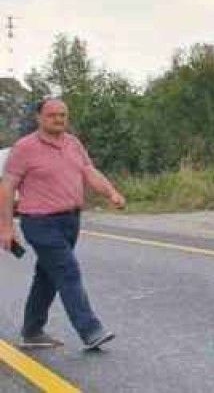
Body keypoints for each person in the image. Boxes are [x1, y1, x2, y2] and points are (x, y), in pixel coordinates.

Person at [0, 98, 126, 351]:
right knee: (67, 270)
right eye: (52, 115)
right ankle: (91, 330)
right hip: (39, 222)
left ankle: (32, 331)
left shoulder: (73, 143)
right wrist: (5, 227)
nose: (58, 119)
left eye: (63, 115)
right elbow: (7, 187)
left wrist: (111, 192)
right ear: (39, 118)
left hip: (70, 220)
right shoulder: (25, 148)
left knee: (47, 276)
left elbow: (89, 171)